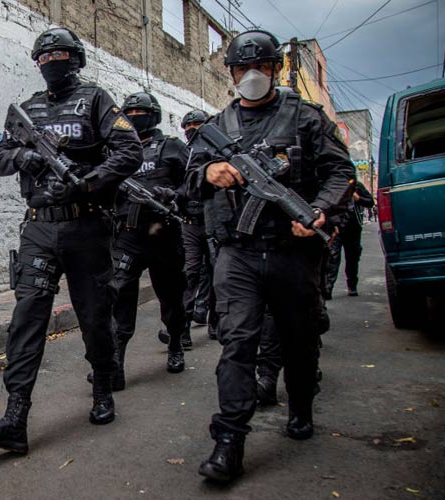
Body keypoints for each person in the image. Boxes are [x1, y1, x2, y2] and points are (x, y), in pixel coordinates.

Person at [185, 30, 353, 482]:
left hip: (293, 251)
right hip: (237, 253)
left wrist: (318, 211)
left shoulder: (307, 118)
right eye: (243, 69)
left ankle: (300, 402)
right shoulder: (218, 125)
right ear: (232, 74)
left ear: (277, 70)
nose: (252, 76)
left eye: (262, 67)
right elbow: (189, 182)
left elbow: (341, 173)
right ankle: (229, 441)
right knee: (237, 342)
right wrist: (209, 172)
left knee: (299, 340)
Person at [0, 27, 141, 454]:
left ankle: (102, 385)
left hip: (86, 226)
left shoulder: (96, 99)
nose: (51, 62)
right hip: (39, 228)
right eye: (43, 57)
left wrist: (86, 184)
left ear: (76, 58)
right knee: (27, 319)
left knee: (94, 315)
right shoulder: (26, 110)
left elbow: (129, 151)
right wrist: (24, 155)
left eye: (59, 54)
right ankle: (15, 417)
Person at [108, 91, 190, 389]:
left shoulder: (171, 147)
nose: (136, 116)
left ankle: (176, 345)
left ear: (153, 116)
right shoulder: (116, 151)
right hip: (128, 236)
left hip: (164, 235)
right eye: (131, 112)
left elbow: (192, 183)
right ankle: (114, 364)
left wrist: (172, 196)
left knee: (170, 298)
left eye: (141, 112)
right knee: (120, 298)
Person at [180, 109, 214, 331]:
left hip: (213, 220)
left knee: (217, 272)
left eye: (197, 124)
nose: (192, 129)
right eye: (188, 125)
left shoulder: (217, 151)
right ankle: (182, 327)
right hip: (189, 221)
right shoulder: (182, 152)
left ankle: (216, 322)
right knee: (190, 272)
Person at [325, 179, 374, 298]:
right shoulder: (333, 185)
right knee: (333, 258)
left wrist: (358, 199)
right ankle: (328, 288)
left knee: (352, 258)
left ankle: (352, 286)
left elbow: (370, 202)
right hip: (337, 227)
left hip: (353, 229)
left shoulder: (357, 186)